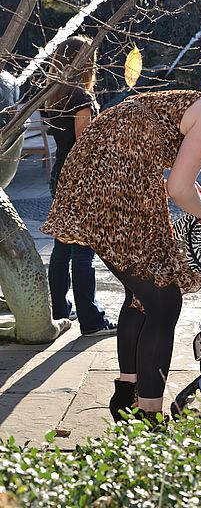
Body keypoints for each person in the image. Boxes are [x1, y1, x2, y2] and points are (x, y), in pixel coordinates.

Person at [41, 55, 201, 423]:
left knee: (143, 296)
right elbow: (179, 189)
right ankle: (148, 411)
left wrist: (190, 194)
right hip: (117, 193)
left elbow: (166, 175)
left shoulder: (177, 100)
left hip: (91, 187)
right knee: (165, 302)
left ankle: (127, 391)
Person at [44, 35, 117, 336]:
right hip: (80, 181)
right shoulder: (81, 98)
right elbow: (84, 146)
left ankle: (60, 311)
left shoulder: (53, 94)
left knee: (62, 248)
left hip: (59, 175)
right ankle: (91, 320)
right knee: (83, 252)